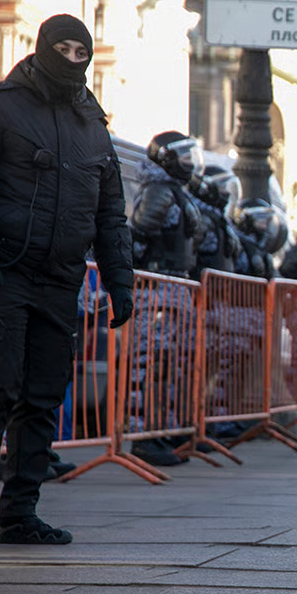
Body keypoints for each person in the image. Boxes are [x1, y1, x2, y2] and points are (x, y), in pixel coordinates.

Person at [0, 14, 134, 545]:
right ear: (42, 47)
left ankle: (18, 514)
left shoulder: (93, 123)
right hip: (2, 275)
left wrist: (120, 281)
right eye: (62, 48)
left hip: (60, 281)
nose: (73, 59)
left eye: (80, 52)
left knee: (42, 398)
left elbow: (111, 213)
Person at [127, 130, 205, 467]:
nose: (189, 162)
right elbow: (138, 238)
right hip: (157, 290)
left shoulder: (176, 191)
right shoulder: (159, 191)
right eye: (184, 155)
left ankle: (163, 431)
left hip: (176, 289)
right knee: (149, 364)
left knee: (171, 366)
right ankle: (142, 437)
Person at [187, 165, 242, 279]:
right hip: (202, 289)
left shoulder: (221, 220)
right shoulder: (202, 218)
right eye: (222, 186)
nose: (226, 192)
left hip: (218, 290)